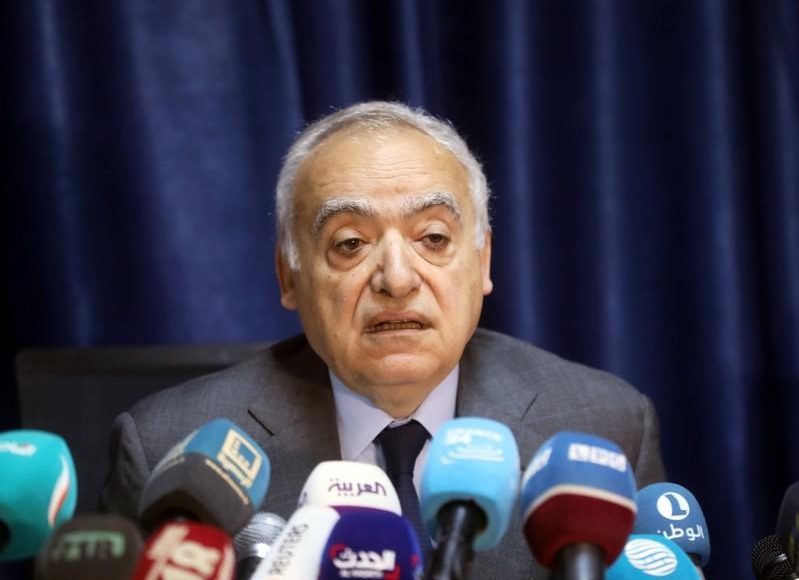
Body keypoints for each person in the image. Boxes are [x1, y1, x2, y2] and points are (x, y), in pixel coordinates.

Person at [100, 101, 665, 578]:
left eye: (433, 238)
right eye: (350, 243)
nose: (397, 279)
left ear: (483, 261)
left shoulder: (604, 427)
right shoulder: (167, 452)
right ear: (288, 276)